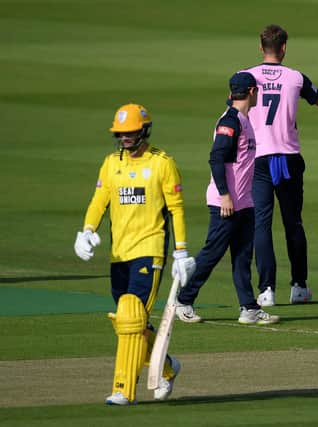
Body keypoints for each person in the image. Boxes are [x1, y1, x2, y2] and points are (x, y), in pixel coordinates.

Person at [73, 103, 196, 405]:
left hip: (150, 250)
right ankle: (166, 367)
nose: (125, 138)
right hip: (120, 254)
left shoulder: (161, 163)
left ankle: (123, 389)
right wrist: (87, 230)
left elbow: (175, 210)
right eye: (121, 133)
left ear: (144, 130)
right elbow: (99, 199)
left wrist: (181, 252)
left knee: (131, 316)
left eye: (130, 133)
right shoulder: (110, 163)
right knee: (129, 322)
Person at [174, 72, 279, 325]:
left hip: (244, 202)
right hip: (226, 203)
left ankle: (249, 308)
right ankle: (183, 300)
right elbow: (216, 157)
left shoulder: (244, 119)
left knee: (243, 257)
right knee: (212, 253)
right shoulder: (231, 121)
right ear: (252, 92)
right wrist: (224, 196)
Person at [244, 24, 318, 306]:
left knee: (261, 225)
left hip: (260, 159)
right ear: (284, 48)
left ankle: (266, 290)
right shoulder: (295, 77)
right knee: (293, 222)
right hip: (288, 158)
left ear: (261, 47)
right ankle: (299, 286)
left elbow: (234, 111)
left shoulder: (247, 77)